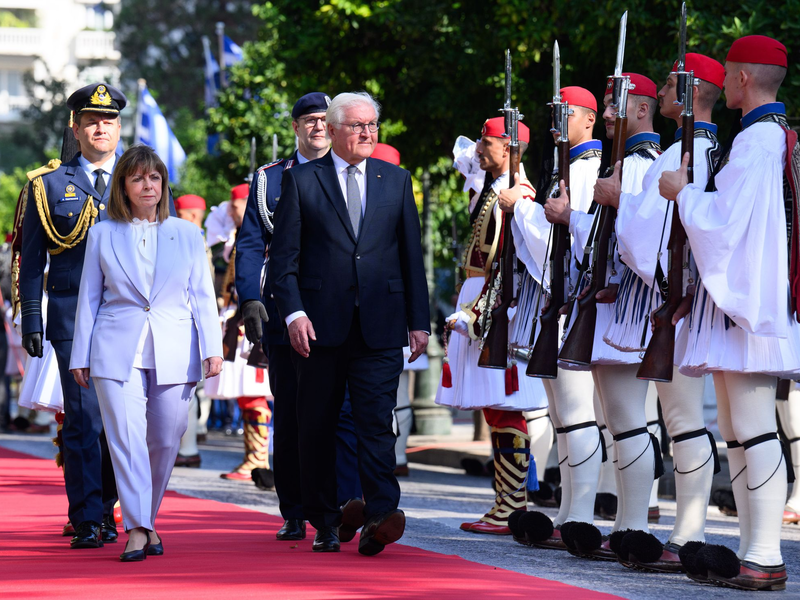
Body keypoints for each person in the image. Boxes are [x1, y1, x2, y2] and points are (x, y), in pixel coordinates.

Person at [659, 35, 796, 591]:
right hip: (749, 299)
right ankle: (752, 550)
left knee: (754, 424)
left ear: (740, 80)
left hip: (751, 303)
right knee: (740, 428)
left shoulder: (758, 140)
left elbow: (726, 220)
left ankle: (764, 554)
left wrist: (680, 192)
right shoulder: (769, 136)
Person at [269, 91, 430, 555]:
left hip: (381, 324)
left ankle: (381, 512)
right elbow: (285, 261)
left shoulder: (395, 180)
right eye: (357, 126)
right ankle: (323, 517)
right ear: (334, 130)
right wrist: (294, 314)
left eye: (373, 126)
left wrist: (418, 321)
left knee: (377, 421)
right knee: (315, 424)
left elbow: (409, 257)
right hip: (319, 327)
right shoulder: (301, 181)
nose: (367, 133)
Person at [591, 54, 725, 572]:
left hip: (677, 300)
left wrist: (617, 199)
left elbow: (646, 231)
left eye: (672, 84)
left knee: (685, 421)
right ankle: (641, 528)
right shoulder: (693, 148)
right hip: (667, 296)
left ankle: (688, 535)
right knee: (665, 421)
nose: (667, 91)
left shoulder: (689, 149)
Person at [69, 145, 223, 562]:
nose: (147, 185)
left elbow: (203, 296)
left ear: (163, 184)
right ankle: (137, 528)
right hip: (114, 348)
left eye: (154, 177)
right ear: (124, 186)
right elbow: (89, 298)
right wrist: (79, 354)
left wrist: (213, 348)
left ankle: (146, 520)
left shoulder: (189, 234)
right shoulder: (102, 232)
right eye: (137, 178)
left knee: (165, 440)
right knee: (125, 440)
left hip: (175, 347)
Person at [236, 92, 364, 542]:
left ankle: (345, 505)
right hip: (286, 307)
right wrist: (250, 297)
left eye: (323, 120)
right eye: (308, 120)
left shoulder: (353, 174)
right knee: (291, 412)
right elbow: (252, 241)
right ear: (295, 127)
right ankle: (294, 507)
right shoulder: (269, 179)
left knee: (343, 412)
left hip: (340, 308)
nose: (316, 127)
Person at [545, 73, 663, 559]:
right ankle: (623, 524)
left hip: (629, 309)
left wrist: (578, 217)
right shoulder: (627, 164)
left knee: (628, 420)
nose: (611, 114)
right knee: (619, 420)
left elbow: (639, 242)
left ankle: (633, 525)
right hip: (614, 308)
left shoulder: (639, 166)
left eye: (619, 105)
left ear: (641, 111)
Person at [19, 83, 132, 549]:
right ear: (76, 127)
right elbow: (29, 260)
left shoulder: (140, 179)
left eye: (107, 121)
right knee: (84, 421)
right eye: (91, 121)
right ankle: (87, 517)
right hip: (69, 317)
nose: (99, 127)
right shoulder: (46, 186)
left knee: (121, 421)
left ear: (119, 128)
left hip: (127, 319)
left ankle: (109, 508)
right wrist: (31, 318)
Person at [500, 86, 604, 548]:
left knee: (578, 415)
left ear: (589, 121)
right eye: (554, 114)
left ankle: (580, 513)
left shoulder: (586, 170)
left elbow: (568, 243)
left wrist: (520, 207)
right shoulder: (567, 170)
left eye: (567, 114)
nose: (556, 123)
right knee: (563, 416)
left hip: (575, 303)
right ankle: (565, 512)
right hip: (557, 303)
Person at [435, 116, 546, 536]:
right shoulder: (494, 188)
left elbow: (510, 263)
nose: (478, 149)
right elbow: (464, 159)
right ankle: (506, 502)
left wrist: (481, 310)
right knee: (495, 408)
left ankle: (512, 504)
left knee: (505, 407)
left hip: (501, 306)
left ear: (510, 147)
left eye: (488, 142)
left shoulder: (518, 195)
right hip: (484, 300)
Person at [205, 184, 274, 486]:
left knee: (256, 393)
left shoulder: (264, 236)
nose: (232, 210)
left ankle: (259, 459)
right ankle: (253, 458)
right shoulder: (234, 239)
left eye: (238, 205)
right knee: (246, 397)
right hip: (237, 322)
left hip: (254, 322)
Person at [173, 194, 208, 468]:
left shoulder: (193, 238)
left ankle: (188, 447)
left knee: (186, 389)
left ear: (193, 215)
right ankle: (186, 446)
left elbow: (200, 290)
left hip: (190, 319)